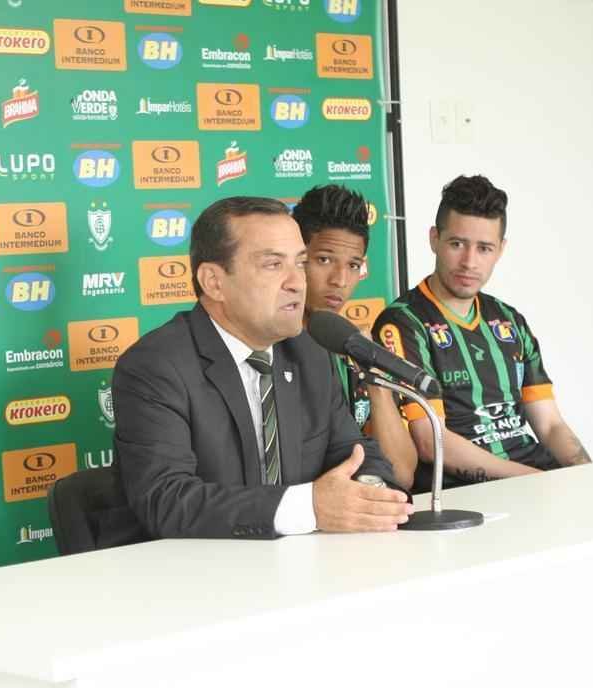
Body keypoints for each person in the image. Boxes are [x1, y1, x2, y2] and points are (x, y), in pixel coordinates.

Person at [112, 196, 412, 538]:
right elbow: (167, 501)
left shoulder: (310, 353)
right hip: (196, 575)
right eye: (273, 265)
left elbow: (355, 452)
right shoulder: (156, 366)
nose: (297, 283)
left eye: (300, 263)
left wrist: (366, 495)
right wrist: (310, 508)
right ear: (214, 281)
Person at [373, 175, 591, 489]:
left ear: (500, 250)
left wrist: (585, 472)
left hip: (533, 478)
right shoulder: (403, 323)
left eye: (484, 248)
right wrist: (537, 481)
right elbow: (429, 441)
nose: (469, 262)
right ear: (434, 239)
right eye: (457, 244)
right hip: (465, 492)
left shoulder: (508, 319)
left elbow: (550, 424)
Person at [292, 183, 417, 490]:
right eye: (324, 260)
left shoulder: (355, 348)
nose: (340, 280)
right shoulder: (267, 348)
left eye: (353, 265)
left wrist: (375, 380)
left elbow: (401, 474)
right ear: (297, 258)